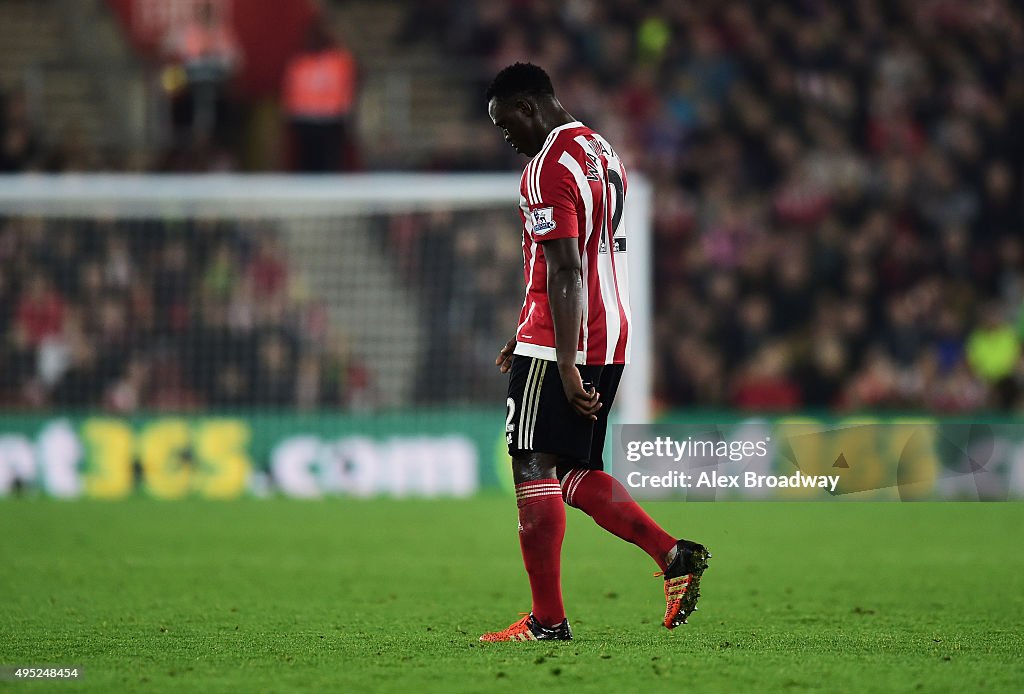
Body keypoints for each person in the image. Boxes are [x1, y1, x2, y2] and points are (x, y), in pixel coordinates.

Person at [479, 63, 710, 643]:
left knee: (532, 465)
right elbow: (576, 256)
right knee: (576, 470)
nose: (509, 142)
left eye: (508, 127)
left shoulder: (547, 166)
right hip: (609, 335)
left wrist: (559, 359)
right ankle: (671, 553)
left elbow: (565, 269)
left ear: (529, 107)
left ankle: (548, 623)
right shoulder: (600, 150)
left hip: (565, 342)